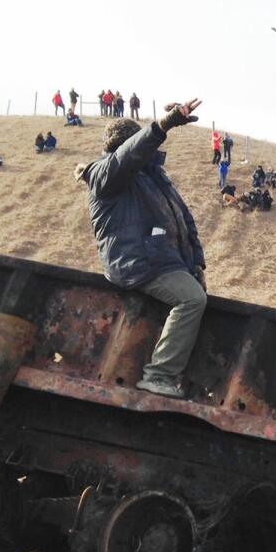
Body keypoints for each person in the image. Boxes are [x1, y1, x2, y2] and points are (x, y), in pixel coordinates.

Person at [78, 100, 206, 398]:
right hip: (137, 260)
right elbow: (127, 157)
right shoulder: (104, 173)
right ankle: (159, 375)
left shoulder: (154, 178)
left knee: (194, 294)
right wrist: (162, 126)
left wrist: (196, 264)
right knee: (191, 300)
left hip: (159, 259)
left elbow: (184, 221)